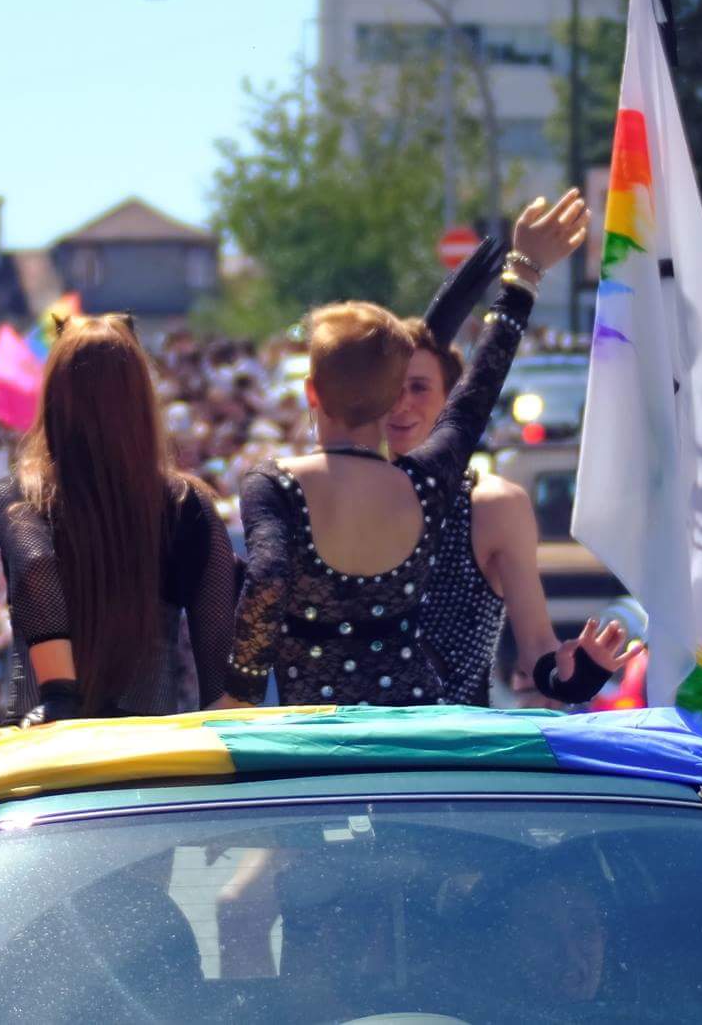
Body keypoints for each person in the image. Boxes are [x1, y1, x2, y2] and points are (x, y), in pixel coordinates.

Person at [219, 191, 587, 708]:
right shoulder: (425, 484)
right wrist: (523, 275)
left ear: (311, 393)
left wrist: (240, 694)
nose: (408, 403)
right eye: (402, 386)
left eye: (421, 387)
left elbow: (268, 579)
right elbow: (478, 394)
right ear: (388, 395)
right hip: (421, 733)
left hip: (333, 737)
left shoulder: (274, 484)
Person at [0, 312, 241, 721]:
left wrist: (59, 694)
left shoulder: (17, 497)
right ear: (140, 399)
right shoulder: (189, 505)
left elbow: (36, 564)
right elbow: (219, 667)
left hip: (42, 742)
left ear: (55, 397)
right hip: (143, 743)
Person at [389, 317, 630, 706]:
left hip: (449, 739)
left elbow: (537, 648)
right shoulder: (321, 492)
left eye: (418, 387)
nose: (402, 403)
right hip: (337, 740)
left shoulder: (492, 505)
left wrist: (575, 677)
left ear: (452, 399)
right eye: (390, 388)